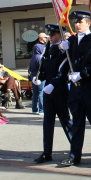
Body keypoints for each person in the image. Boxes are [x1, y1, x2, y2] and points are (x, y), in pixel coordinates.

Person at [58, 11, 91, 167]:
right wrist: (60, 48)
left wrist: (82, 74)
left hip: (90, 85)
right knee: (77, 122)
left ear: (88, 23)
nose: (77, 24)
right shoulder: (70, 40)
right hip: (75, 88)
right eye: (75, 22)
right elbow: (61, 61)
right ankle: (74, 155)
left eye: (80, 22)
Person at [32, 24, 72, 164]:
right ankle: (47, 152)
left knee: (65, 121)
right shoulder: (48, 48)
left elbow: (63, 70)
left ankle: (75, 149)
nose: (50, 37)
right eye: (49, 35)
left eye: (53, 35)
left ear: (60, 35)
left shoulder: (63, 49)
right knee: (47, 123)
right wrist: (38, 77)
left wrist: (53, 84)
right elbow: (45, 66)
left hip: (59, 89)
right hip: (48, 90)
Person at [28, 32, 48, 115]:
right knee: (41, 93)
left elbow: (29, 68)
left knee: (35, 93)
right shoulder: (39, 57)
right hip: (39, 75)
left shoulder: (33, 57)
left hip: (33, 75)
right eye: (45, 38)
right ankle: (41, 109)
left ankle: (34, 109)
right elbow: (42, 67)